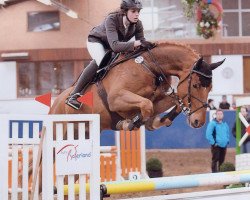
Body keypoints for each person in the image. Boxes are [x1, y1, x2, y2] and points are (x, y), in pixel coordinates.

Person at [66, 0, 152, 110]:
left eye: (138, 12)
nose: (136, 14)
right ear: (124, 12)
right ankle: (74, 94)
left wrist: (148, 45)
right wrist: (136, 43)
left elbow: (141, 43)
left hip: (113, 46)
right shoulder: (112, 19)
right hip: (97, 41)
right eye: (133, 11)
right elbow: (115, 46)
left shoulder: (138, 24)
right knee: (101, 61)